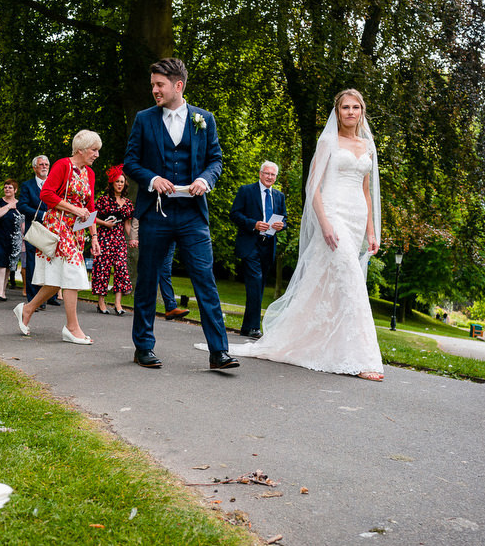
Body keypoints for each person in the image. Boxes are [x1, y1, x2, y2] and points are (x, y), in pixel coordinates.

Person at [223, 89, 383, 379]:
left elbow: (366, 192)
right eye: (345, 107)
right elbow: (313, 187)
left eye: (355, 107)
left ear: (362, 111)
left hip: (357, 217)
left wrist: (372, 232)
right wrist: (325, 224)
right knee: (350, 277)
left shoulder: (367, 146)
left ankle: (315, 343)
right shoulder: (328, 142)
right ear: (337, 112)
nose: (350, 111)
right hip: (332, 213)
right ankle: (362, 359)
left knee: (328, 282)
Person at [124, 58, 236, 370]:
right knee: (147, 281)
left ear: (178, 85)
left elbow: (216, 160)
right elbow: (131, 162)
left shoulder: (204, 119)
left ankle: (219, 353)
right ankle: (143, 347)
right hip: (155, 214)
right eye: (152, 85)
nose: (154, 90)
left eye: (159, 85)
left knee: (205, 279)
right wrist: (152, 178)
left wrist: (204, 179)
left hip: (191, 216)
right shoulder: (144, 119)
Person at [15, 130, 101, 344]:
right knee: (72, 273)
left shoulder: (88, 173)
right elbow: (46, 194)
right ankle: (72, 328)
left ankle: (27, 309)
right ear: (80, 150)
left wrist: (95, 237)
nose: (97, 155)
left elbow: (89, 207)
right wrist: (73, 208)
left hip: (77, 230)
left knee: (56, 280)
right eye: (94, 150)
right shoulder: (63, 165)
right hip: (58, 226)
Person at [230, 161, 287, 338]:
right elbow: (235, 214)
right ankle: (254, 327)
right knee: (255, 282)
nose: (269, 177)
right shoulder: (246, 191)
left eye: (273, 175)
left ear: (275, 177)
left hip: (268, 245)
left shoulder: (279, 196)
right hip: (250, 243)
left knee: (259, 286)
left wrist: (281, 225)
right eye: (267, 173)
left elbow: (285, 219)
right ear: (260, 173)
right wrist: (253, 224)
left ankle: (247, 327)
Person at [90, 165, 135, 315]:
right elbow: (92, 218)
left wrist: (133, 239)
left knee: (121, 268)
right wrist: (105, 223)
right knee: (103, 269)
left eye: (122, 182)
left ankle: (118, 304)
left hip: (119, 239)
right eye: (117, 181)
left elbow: (127, 224)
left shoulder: (128, 203)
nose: (120, 184)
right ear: (112, 183)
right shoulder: (103, 200)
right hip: (104, 238)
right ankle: (101, 303)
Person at [17, 155, 60, 309]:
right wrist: (42, 214)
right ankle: (34, 299)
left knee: (52, 262)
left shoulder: (55, 184)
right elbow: (22, 206)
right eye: (41, 164)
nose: (44, 167)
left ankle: (51, 296)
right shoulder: (27, 186)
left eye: (46, 164)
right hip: (35, 229)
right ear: (35, 167)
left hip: (53, 230)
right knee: (33, 264)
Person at [0, 179, 23, 302]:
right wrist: (8, 206)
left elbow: (22, 221)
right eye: (5, 187)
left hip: (15, 239)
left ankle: (3, 291)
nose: (7, 189)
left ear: (15, 190)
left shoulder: (20, 204)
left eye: (10, 187)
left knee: (8, 265)